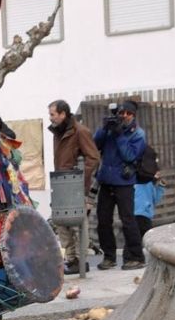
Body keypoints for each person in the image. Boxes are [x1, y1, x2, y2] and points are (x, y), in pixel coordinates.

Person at [48, 100, 100, 274]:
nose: (50, 118)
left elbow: (93, 158)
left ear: (63, 114)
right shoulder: (58, 131)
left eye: (53, 114)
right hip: (60, 183)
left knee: (79, 221)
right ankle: (72, 259)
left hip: (73, 184)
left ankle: (81, 260)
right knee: (60, 221)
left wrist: (80, 179)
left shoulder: (80, 131)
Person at [93, 100, 146, 270]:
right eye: (122, 113)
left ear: (133, 115)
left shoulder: (138, 134)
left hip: (124, 182)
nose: (124, 116)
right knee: (103, 220)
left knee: (128, 220)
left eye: (128, 113)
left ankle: (136, 256)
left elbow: (130, 156)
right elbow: (95, 145)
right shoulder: (111, 129)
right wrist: (104, 128)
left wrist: (119, 136)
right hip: (106, 181)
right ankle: (109, 256)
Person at [134, 175, 165, 239]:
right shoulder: (142, 181)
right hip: (141, 214)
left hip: (144, 215)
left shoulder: (151, 184)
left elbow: (155, 200)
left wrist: (161, 186)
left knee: (135, 240)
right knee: (144, 239)